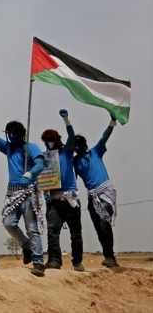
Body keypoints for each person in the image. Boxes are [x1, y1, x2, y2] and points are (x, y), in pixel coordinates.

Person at [0, 109, 46, 277]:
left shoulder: (31, 147)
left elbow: (40, 165)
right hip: (12, 193)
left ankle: (38, 262)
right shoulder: (8, 148)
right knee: (8, 223)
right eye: (9, 133)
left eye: (14, 133)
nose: (11, 136)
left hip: (28, 192)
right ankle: (26, 246)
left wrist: (28, 175)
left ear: (21, 134)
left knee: (32, 228)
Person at [74, 114, 120, 268]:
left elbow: (104, 137)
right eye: (75, 145)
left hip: (105, 192)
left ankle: (110, 256)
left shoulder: (95, 152)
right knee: (98, 228)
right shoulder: (74, 161)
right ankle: (108, 256)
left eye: (80, 144)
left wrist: (112, 122)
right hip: (92, 197)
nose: (78, 147)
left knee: (104, 222)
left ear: (84, 144)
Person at [41, 109, 84, 271]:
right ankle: (54, 260)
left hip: (70, 197)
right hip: (54, 199)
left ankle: (77, 262)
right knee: (52, 231)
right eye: (45, 141)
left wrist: (67, 120)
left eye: (50, 141)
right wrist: (45, 194)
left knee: (75, 232)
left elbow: (71, 136)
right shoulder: (46, 157)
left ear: (56, 140)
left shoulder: (66, 152)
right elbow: (44, 181)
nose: (48, 144)